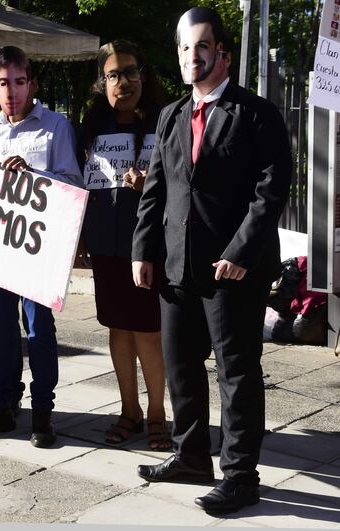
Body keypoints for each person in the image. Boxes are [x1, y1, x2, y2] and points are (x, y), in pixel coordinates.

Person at [131, 7, 292, 513]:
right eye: (184, 47)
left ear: (223, 53)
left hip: (233, 272)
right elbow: (156, 190)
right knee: (180, 365)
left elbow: (272, 191)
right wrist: (142, 250)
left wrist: (242, 251)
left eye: (202, 46)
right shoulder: (172, 115)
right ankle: (191, 454)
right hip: (178, 268)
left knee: (236, 372)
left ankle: (241, 476)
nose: (192, 56)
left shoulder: (257, 113)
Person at [0, 46, 83, 448]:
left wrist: (34, 175)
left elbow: (74, 185)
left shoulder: (55, 127)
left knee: (40, 331)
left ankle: (43, 414)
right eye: (2, 83)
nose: (11, 91)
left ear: (31, 82)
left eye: (18, 81)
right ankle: (1, 407)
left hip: (39, 251)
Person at [78, 40, 169, 450]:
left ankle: (157, 416)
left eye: (130, 72)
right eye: (113, 74)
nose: (123, 81)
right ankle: (128, 411)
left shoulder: (165, 122)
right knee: (118, 329)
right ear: (103, 82)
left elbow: (183, 183)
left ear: (143, 76)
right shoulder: (91, 127)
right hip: (105, 246)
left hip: (147, 248)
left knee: (148, 332)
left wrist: (148, 185)